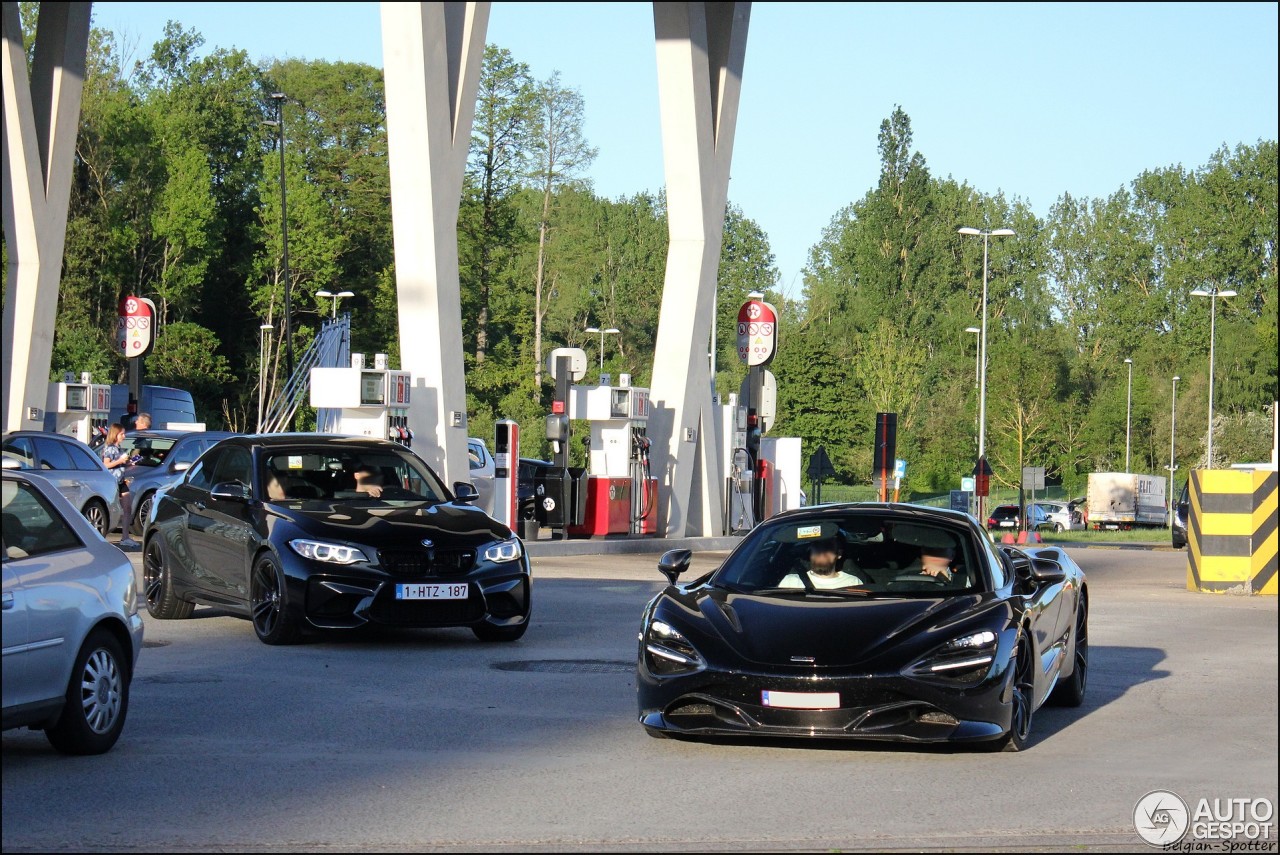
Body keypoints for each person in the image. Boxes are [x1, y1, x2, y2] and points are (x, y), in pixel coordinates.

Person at [100, 423, 139, 549]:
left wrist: (129, 464)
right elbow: (105, 465)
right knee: (110, 507)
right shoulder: (110, 448)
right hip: (113, 481)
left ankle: (125, 537)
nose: (124, 436)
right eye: (122, 433)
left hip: (121, 480)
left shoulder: (119, 448)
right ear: (115, 434)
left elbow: (118, 465)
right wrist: (120, 461)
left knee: (127, 508)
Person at [779, 536, 863, 589]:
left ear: (839, 554)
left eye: (827, 547)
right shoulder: (791, 582)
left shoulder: (853, 583)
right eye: (817, 546)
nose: (821, 552)